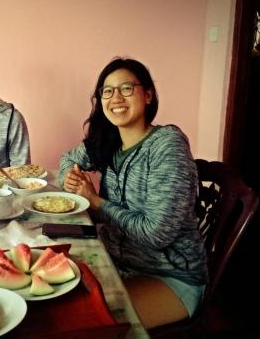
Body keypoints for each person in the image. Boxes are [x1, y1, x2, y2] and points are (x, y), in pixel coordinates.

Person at [58, 57, 208, 329]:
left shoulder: (167, 146)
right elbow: (67, 161)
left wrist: (96, 202)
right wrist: (72, 179)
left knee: (89, 323)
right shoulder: (108, 141)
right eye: (107, 90)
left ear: (148, 95)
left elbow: (156, 233)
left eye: (126, 88)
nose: (116, 97)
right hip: (116, 261)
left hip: (169, 276)